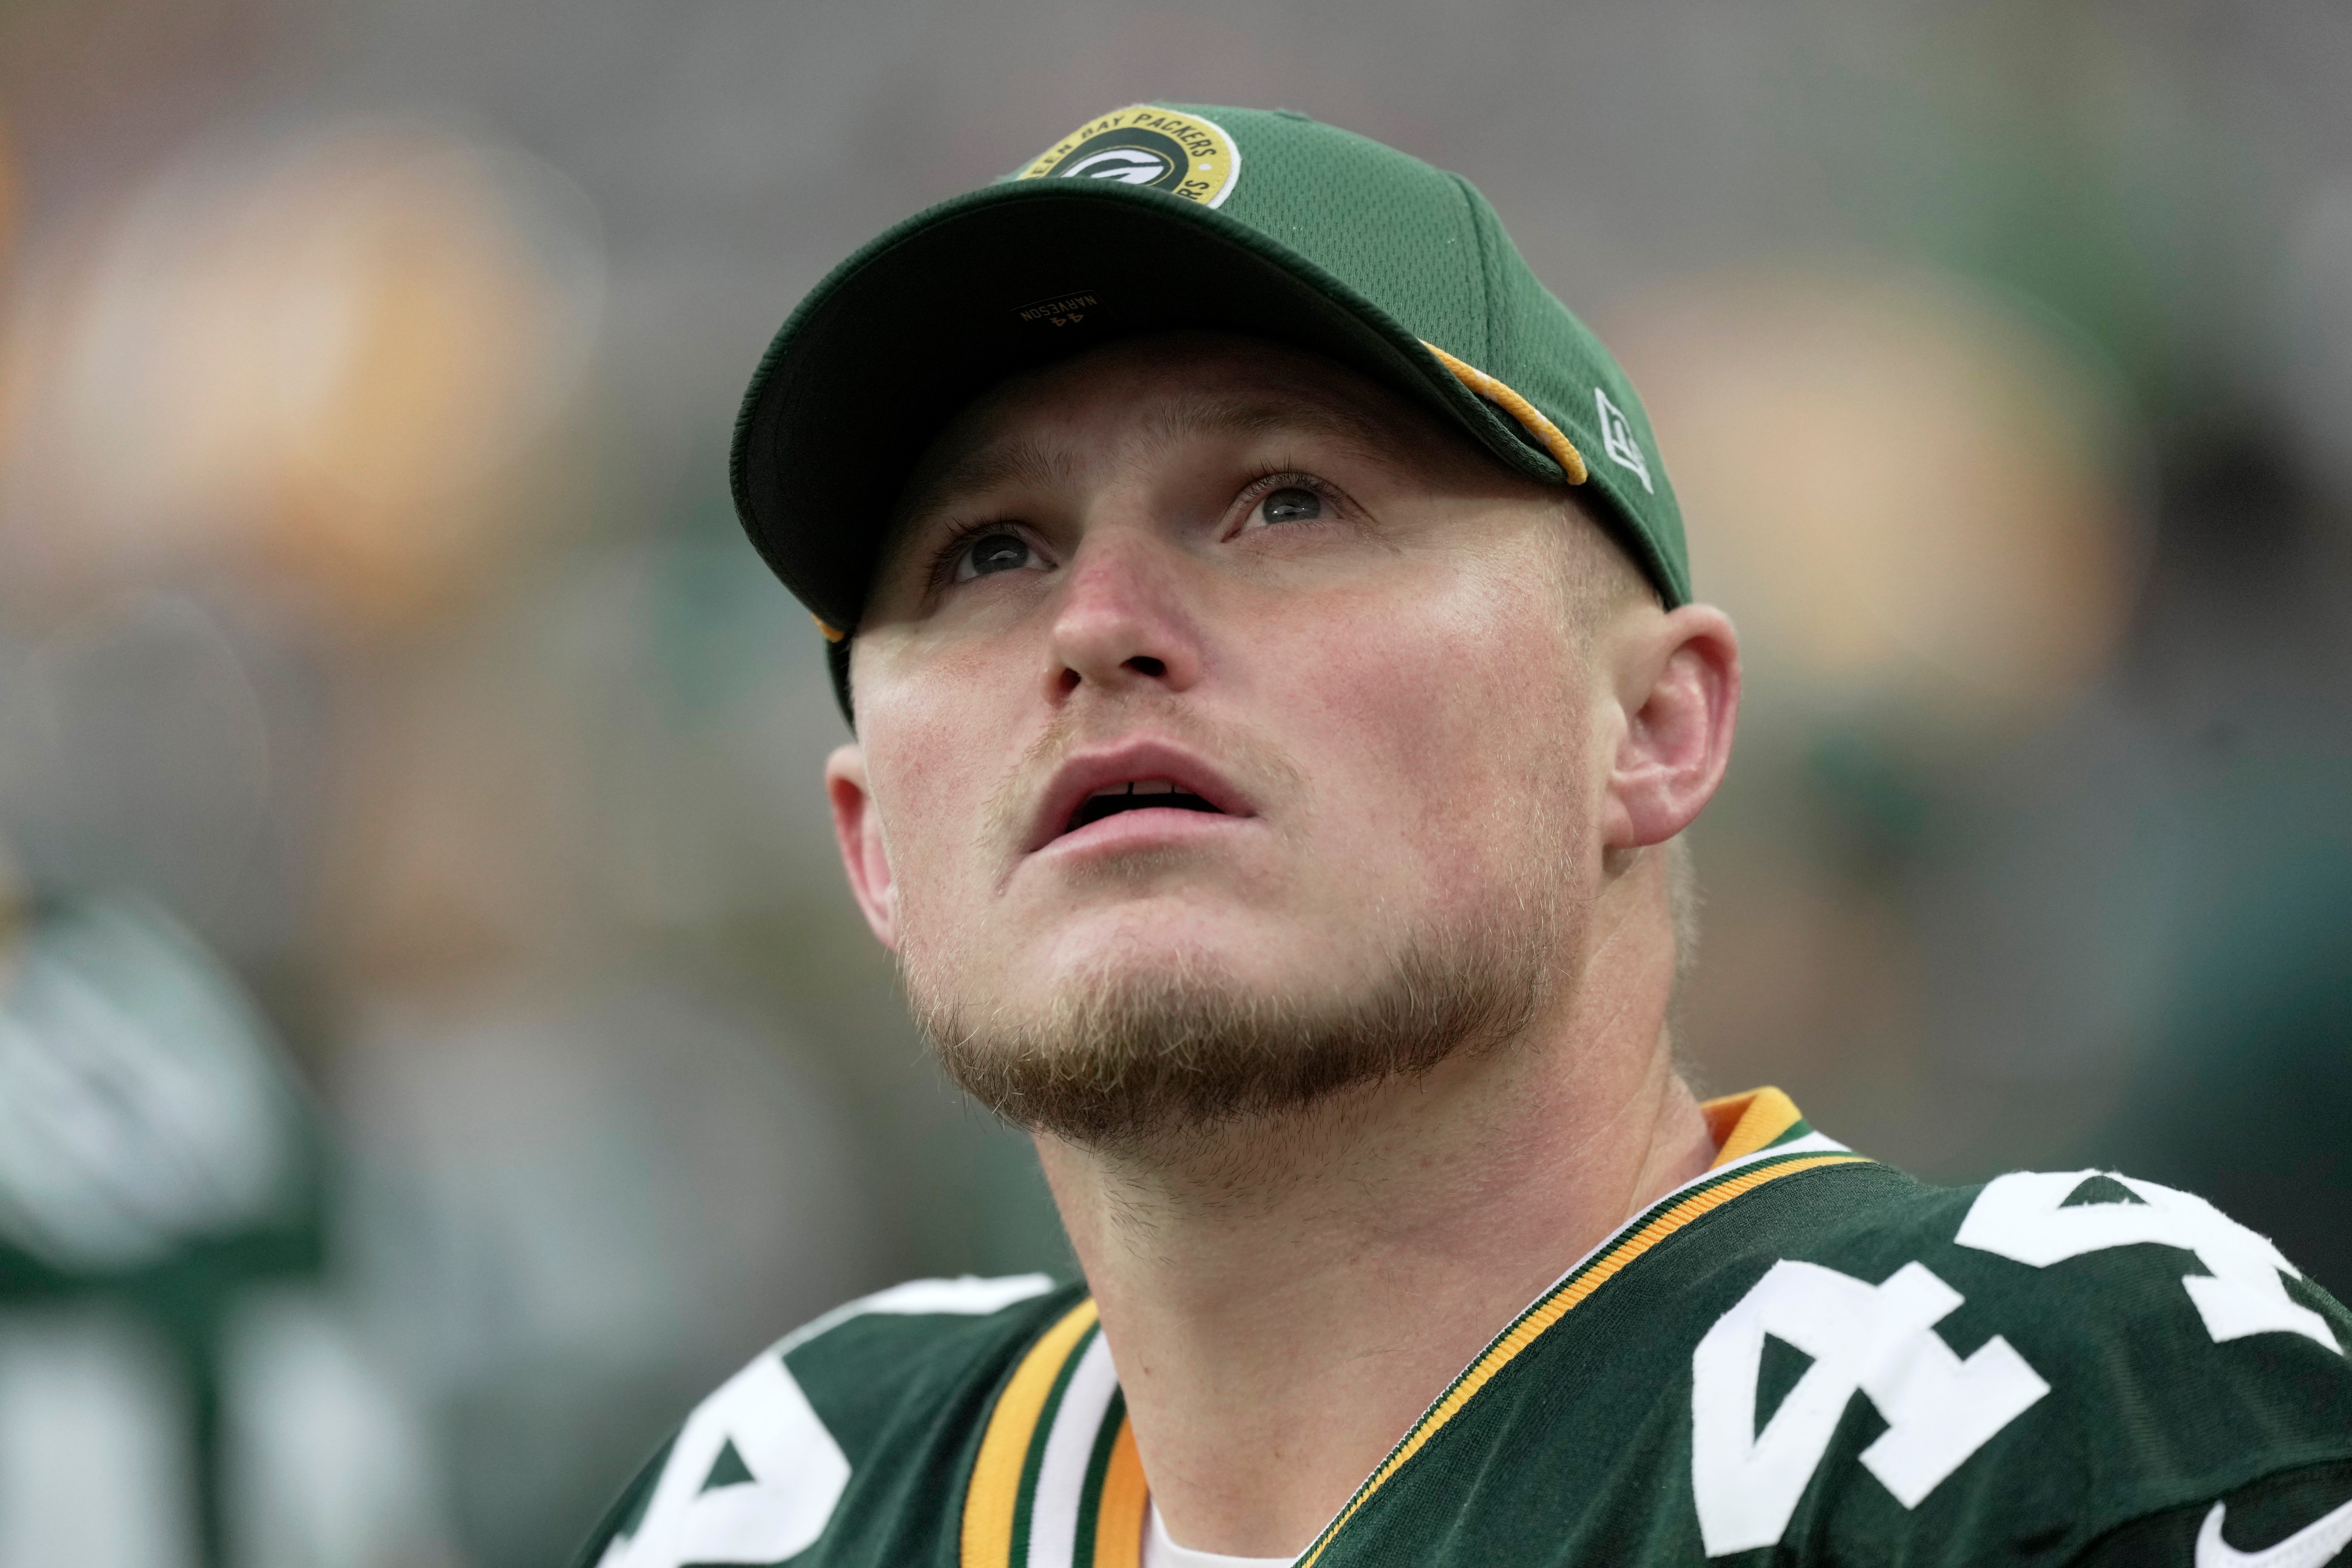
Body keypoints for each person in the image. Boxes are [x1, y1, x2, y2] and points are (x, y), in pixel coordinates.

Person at [575, 104, 2352, 1568]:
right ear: (874, 841)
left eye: (1285, 500)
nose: (1096, 621)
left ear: (1650, 729)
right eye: (989, 553)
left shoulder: (2018, 1416)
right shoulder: (780, 1503)